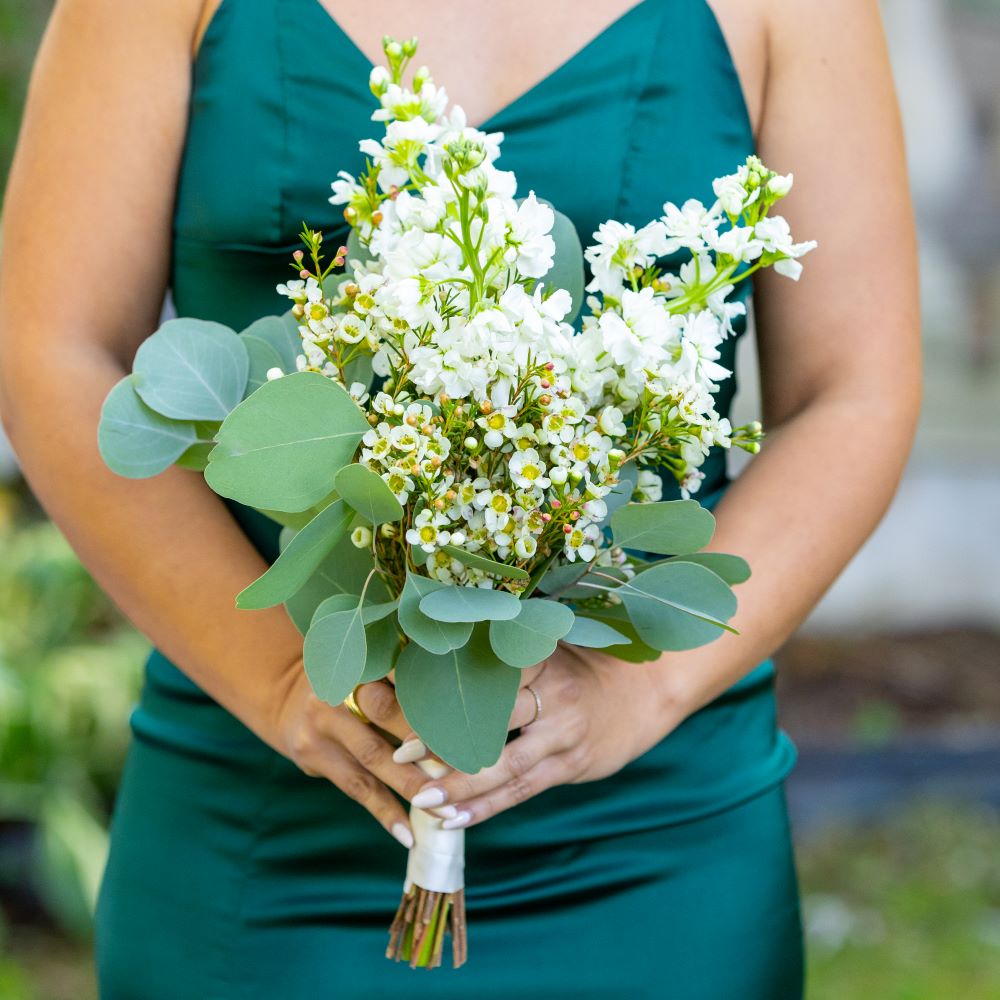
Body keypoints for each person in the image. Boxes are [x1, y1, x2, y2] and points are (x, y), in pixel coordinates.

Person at [0, 1, 920, 997]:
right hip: (266, 813)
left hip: (654, 826)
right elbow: (53, 349)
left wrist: (638, 691)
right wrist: (278, 681)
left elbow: (854, 391)